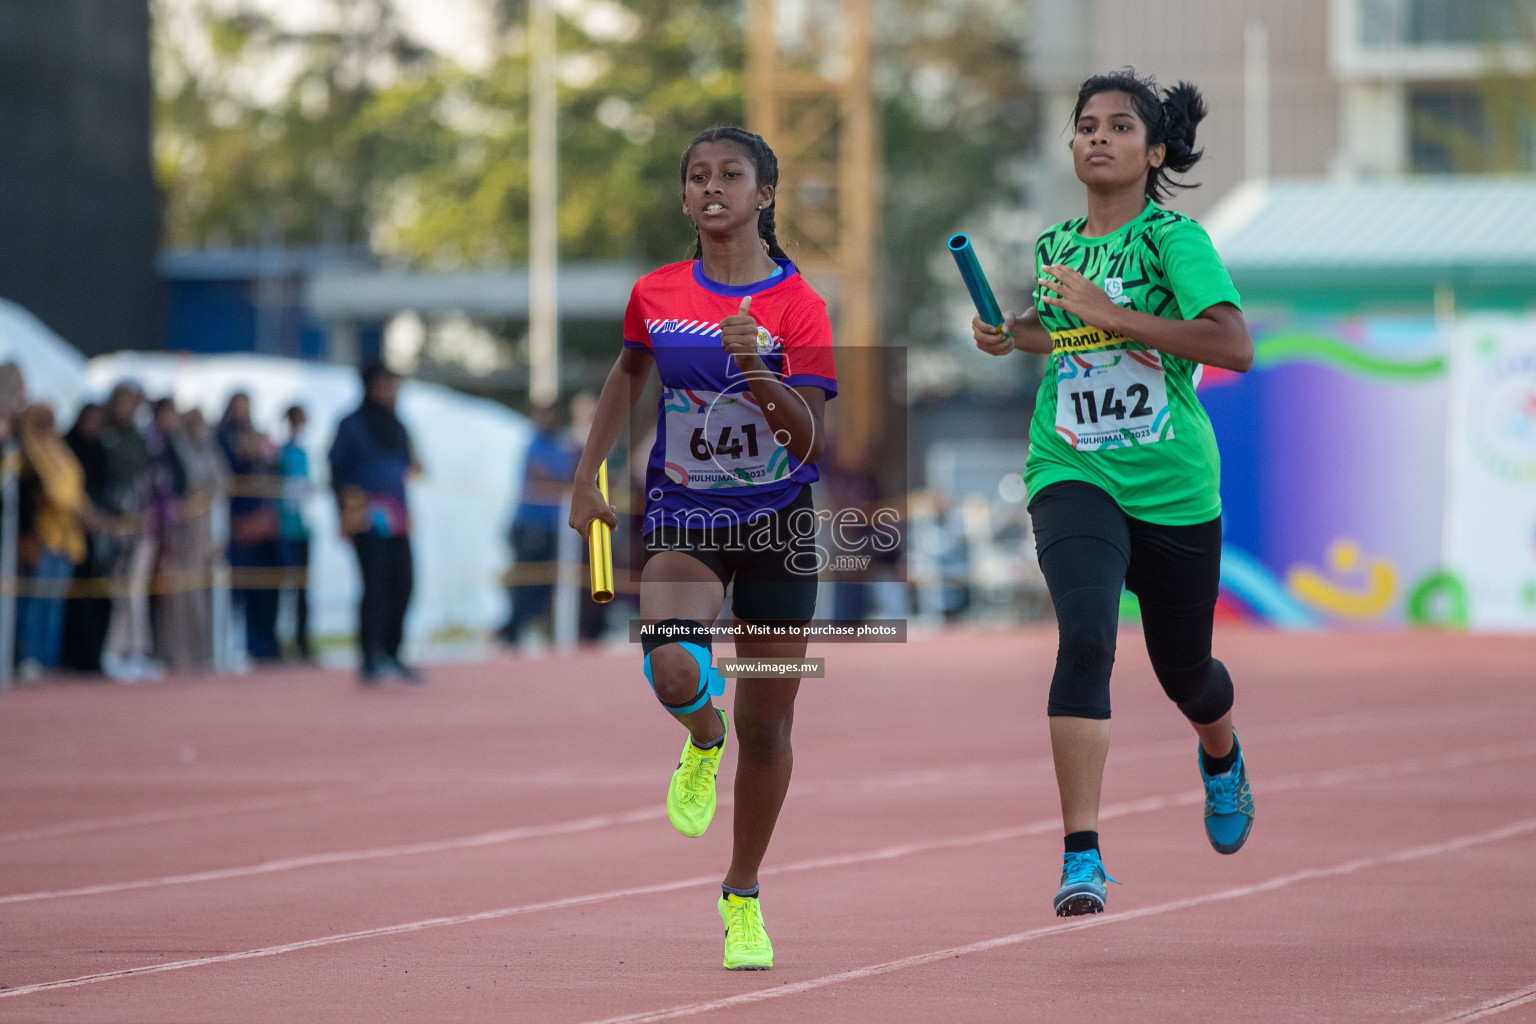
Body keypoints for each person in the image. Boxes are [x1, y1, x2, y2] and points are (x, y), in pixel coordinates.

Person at [972, 70, 1256, 917]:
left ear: (1153, 150)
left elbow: (1232, 346)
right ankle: (1081, 857)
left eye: (1119, 127)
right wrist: (1008, 332)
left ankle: (1222, 750)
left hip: (1170, 485)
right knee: (1088, 638)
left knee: (1188, 674)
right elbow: (1054, 332)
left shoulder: (1177, 240)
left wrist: (1115, 313)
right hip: (1071, 467)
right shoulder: (1056, 242)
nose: (1097, 137)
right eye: (1085, 125)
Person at [568, 125, 837, 971]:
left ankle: (743, 892)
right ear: (684, 199)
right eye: (697, 176)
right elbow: (629, 375)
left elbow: (809, 444)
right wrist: (589, 476)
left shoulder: (800, 306)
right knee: (676, 669)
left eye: (731, 174)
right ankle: (700, 736)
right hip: (684, 512)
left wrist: (759, 371)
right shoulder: (655, 292)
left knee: (771, 726)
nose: (712, 186)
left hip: (778, 523)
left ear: (765, 195)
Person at [329, 364, 422, 684]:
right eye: (385, 386)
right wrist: (343, 514)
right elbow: (336, 471)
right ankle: (370, 657)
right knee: (374, 586)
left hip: (396, 517)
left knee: (404, 583)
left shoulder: (398, 426)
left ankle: (393, 653)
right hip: (365, 517)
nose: (391, 393)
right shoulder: (351, 425)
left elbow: (411, 468)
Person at [15, 404, 88, 680]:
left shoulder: (59, 448)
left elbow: (75, 483)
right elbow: (53, 490)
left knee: (54, 604)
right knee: (37, 601)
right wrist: (76, 506)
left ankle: (48, 660)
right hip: (44, 534)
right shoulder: (29, 451)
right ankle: (30, 658)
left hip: (66, 538)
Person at [499, 402, 578, 646]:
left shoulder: (560, 446)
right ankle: (510, 633)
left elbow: (567, 477)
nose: (549, 419)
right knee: (525, 583)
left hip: (551, 526)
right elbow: (548, 477)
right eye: (545, 414)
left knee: (544, 585)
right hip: (529, 524)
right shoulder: (534, 445)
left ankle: (521, 631)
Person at [218, 392, 282, 664]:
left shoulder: (259, 435)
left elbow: (275, 467)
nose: (243, 412)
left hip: (264, 526)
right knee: (236, 589)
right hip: (238, 524)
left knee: (265, 590)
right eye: (239, 407)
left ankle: (263, 646)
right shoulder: (222, 438)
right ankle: (230, 645)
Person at [62, 403, 113, 674]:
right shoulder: (70, 445)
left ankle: (93, 656)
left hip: (97, 532)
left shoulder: (100, 448)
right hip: (69, 531)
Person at [277, 405, 313, 661]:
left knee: (302, 589)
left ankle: (302, 640)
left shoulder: (303, 453)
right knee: (280, 585)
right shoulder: (281, 453)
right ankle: (279, 640)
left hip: (301, 527)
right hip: (283, 527)